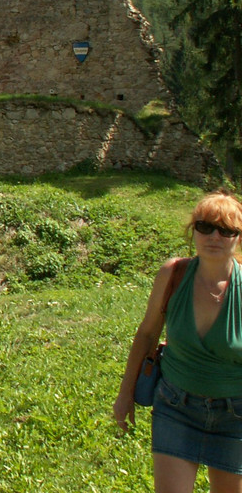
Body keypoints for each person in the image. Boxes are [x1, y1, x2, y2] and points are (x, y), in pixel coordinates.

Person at [114, 190, 242, 492]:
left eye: (226, 230)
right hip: (176, 406)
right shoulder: (173, 274)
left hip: (234, 415)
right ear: (192, 230)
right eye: (205, 226)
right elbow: (147, 334)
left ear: (237, 238)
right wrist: (125, 395)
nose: (214, 236)